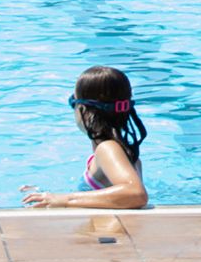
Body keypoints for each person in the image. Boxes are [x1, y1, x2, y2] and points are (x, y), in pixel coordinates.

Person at [21, 65, 148, 210]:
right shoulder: (130, 157)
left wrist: (65, 199)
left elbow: (136, 194)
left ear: (84, 110)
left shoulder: (107, 149)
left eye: (73, 102)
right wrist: (46, 195)